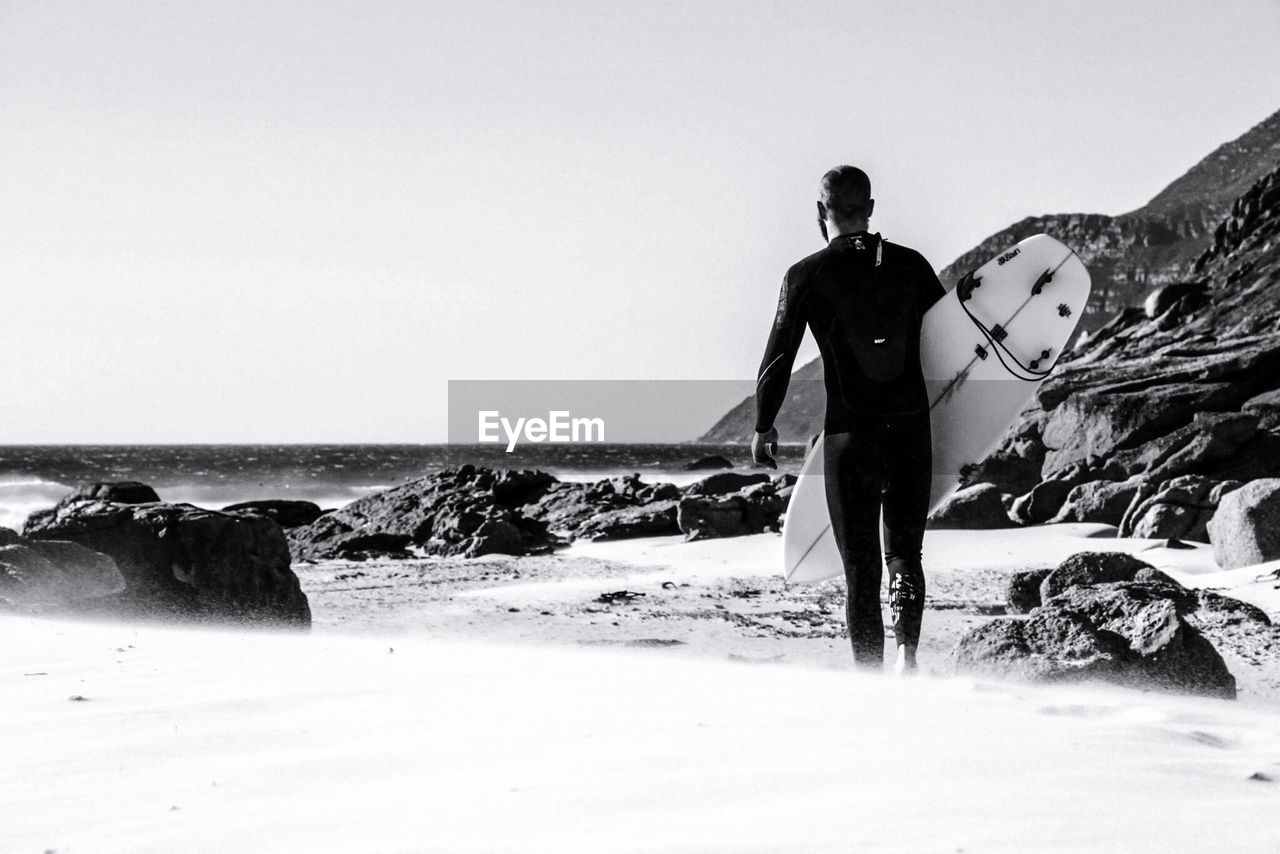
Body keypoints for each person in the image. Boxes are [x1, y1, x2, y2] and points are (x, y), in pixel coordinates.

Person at [751, 166, 946, 674]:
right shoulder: (911, 265)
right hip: (910, 428)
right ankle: (908, 652)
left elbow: (778, 359)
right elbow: (948, 340)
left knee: (860, 568)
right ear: (871, 209)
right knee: (904, 551)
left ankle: (869, 675)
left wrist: (763, 424)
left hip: (849, 435)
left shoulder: (806, 274)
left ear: (821, 212)